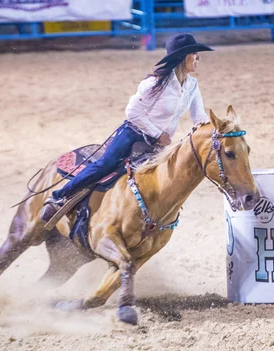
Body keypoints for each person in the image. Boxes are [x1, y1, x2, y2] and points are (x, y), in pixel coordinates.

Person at [41, 33, 214, 222]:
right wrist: (157, 134)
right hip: (133, 133)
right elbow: (132, 112)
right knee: (106, 164)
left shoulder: (192, 85)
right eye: (195, 54)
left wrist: (206, 126)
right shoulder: (154, 83)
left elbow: (199, 115)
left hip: (158, 145)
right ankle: (59, 197)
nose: (199, 58)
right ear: (182, 57)